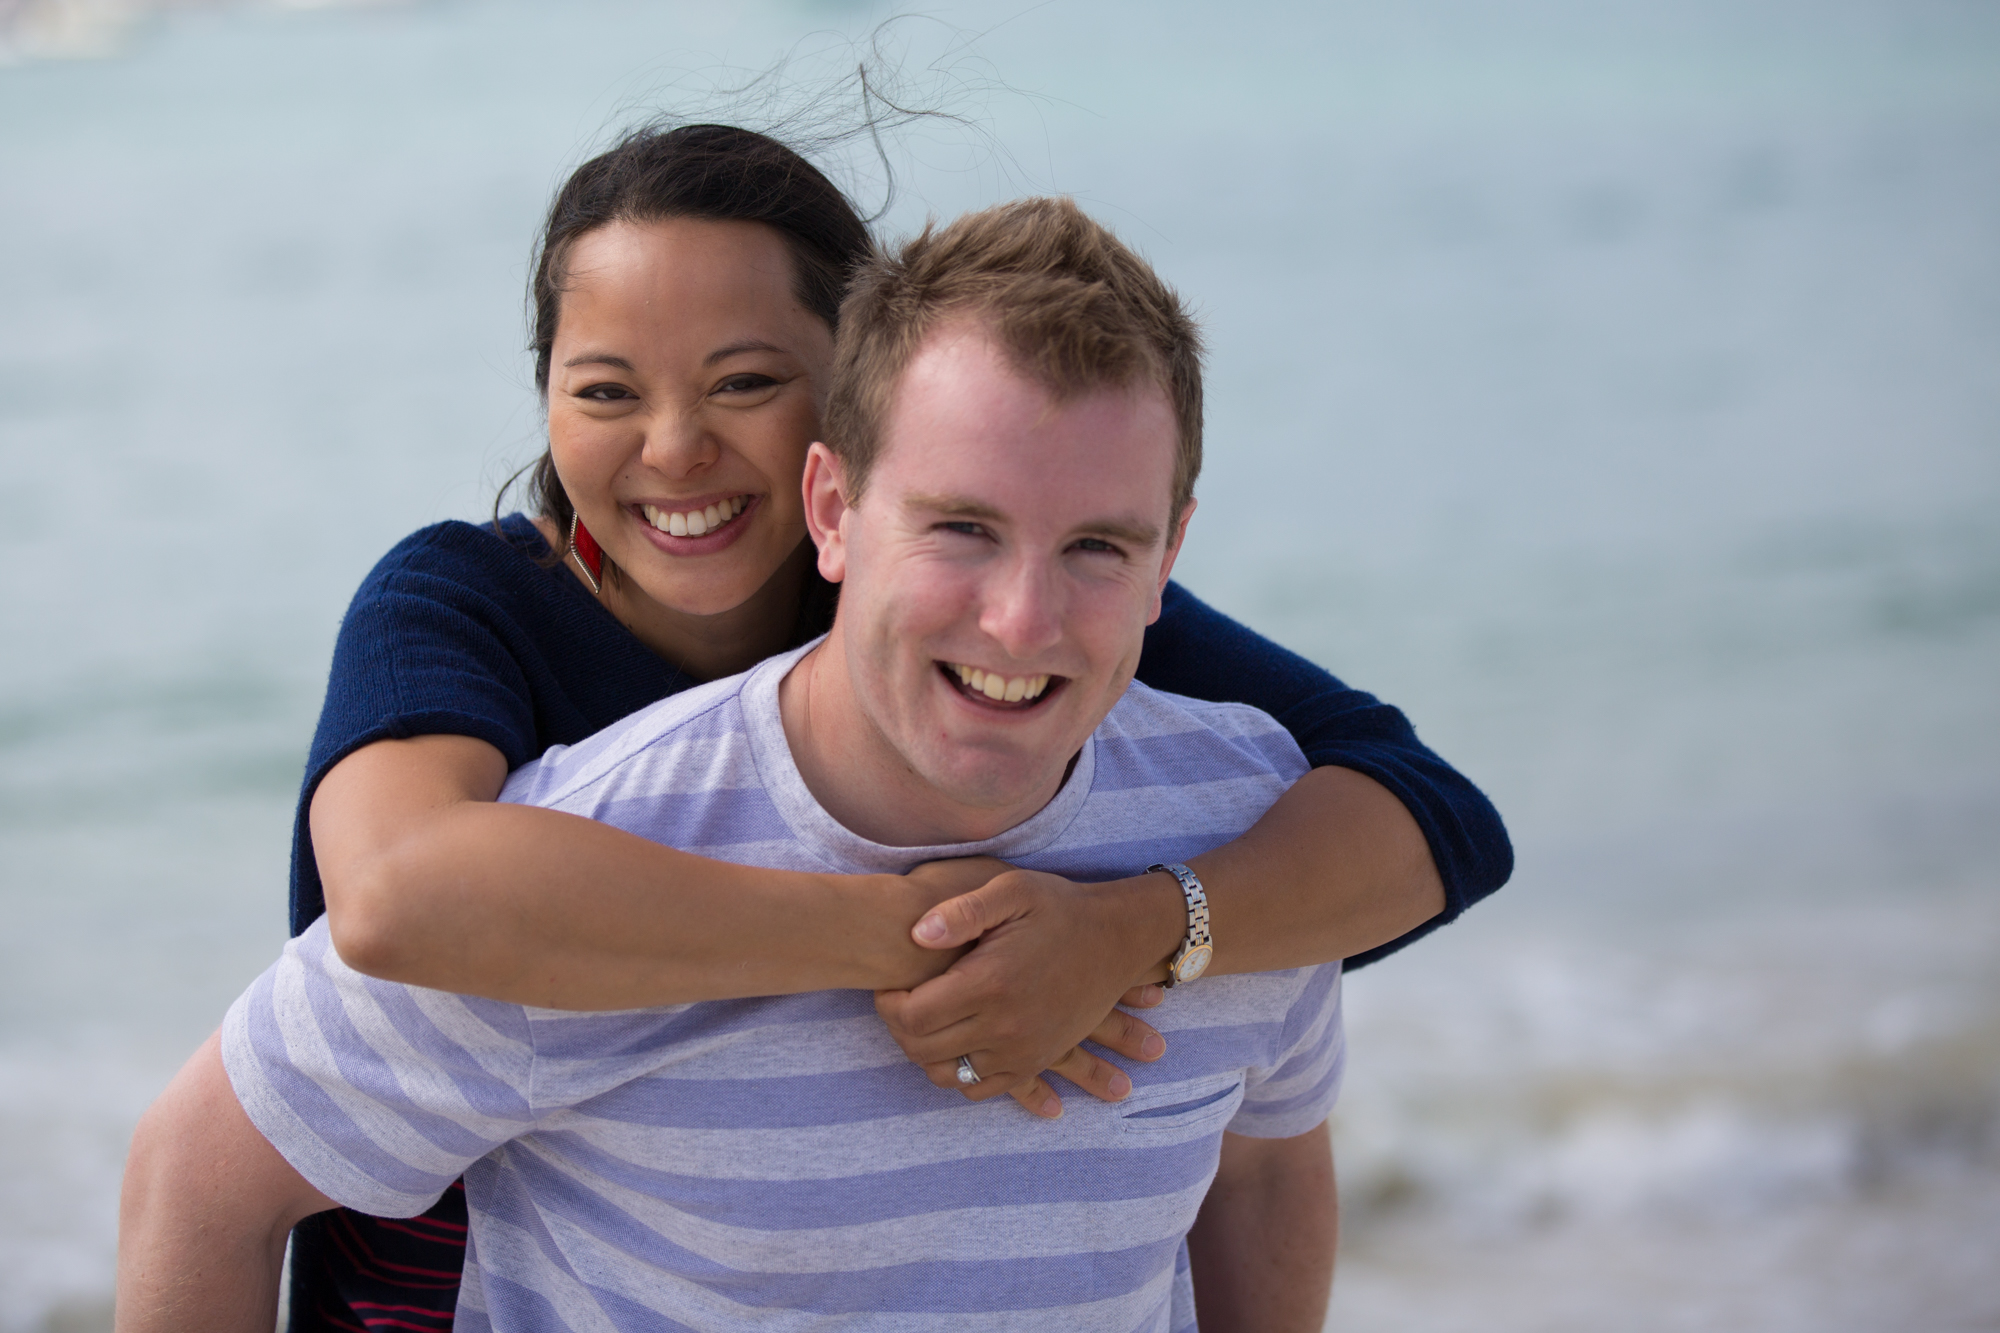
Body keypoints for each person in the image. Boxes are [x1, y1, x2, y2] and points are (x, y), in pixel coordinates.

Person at [258, 123, 1509, 1323]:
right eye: (603, 390)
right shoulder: (466, 602)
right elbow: (395, 891)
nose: (676, 446)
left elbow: (1424, 811)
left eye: (745, 382)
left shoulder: (977, 609)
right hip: (435, 1262)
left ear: (847, 397)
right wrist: (917, 941)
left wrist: (1119, 935)